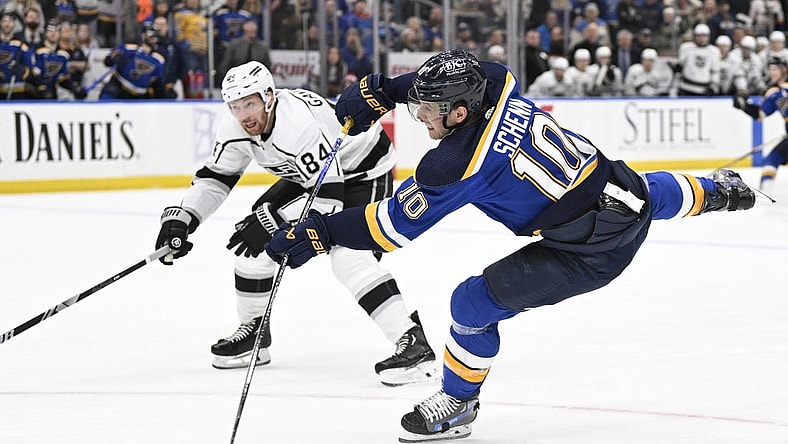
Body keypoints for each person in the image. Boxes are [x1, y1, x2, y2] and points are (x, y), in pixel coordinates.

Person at [261, 49, 758, 442]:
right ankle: (719, 191)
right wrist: (386, 92)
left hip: (589, 250)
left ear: (460, 112)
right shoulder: (496, 84)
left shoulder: (456, 164)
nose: (418, 117)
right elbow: (459, 73)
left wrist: (321, 233)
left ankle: (457, 404)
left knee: (471, 303)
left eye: (429, 111)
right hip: (612, 185)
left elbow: (385, 228)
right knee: (645, 195)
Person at [154, 61, 438, 386]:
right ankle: (254, 335)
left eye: (250, 103)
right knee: (254, 244)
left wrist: (272, 220)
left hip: (363, 172)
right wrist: (183, 217)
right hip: (314, 173)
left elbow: (328, 201)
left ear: (269, 97)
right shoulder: (234, 127)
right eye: (235, 105)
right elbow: (217, 177)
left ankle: (414, 344)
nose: (244, 114)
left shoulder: (297, 124)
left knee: (349, 256)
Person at [734, 56, 788, 194]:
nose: (772, 73)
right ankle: (765, 192)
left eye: (774, 69)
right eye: (770, 69)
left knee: (773, 158)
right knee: (772, 158)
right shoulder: (774, 93)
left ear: (784, 69)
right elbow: (760, 114)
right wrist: (743, 105)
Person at [99, 22, 172, 99]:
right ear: (143, 35)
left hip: (140, 95)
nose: (153, 38)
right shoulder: (129, 47)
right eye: (151, 35)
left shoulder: (159, 58)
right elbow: (108, 60)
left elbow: (159, 81)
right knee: (107, 97)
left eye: (155, 35)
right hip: (119, 88)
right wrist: (114, 58)